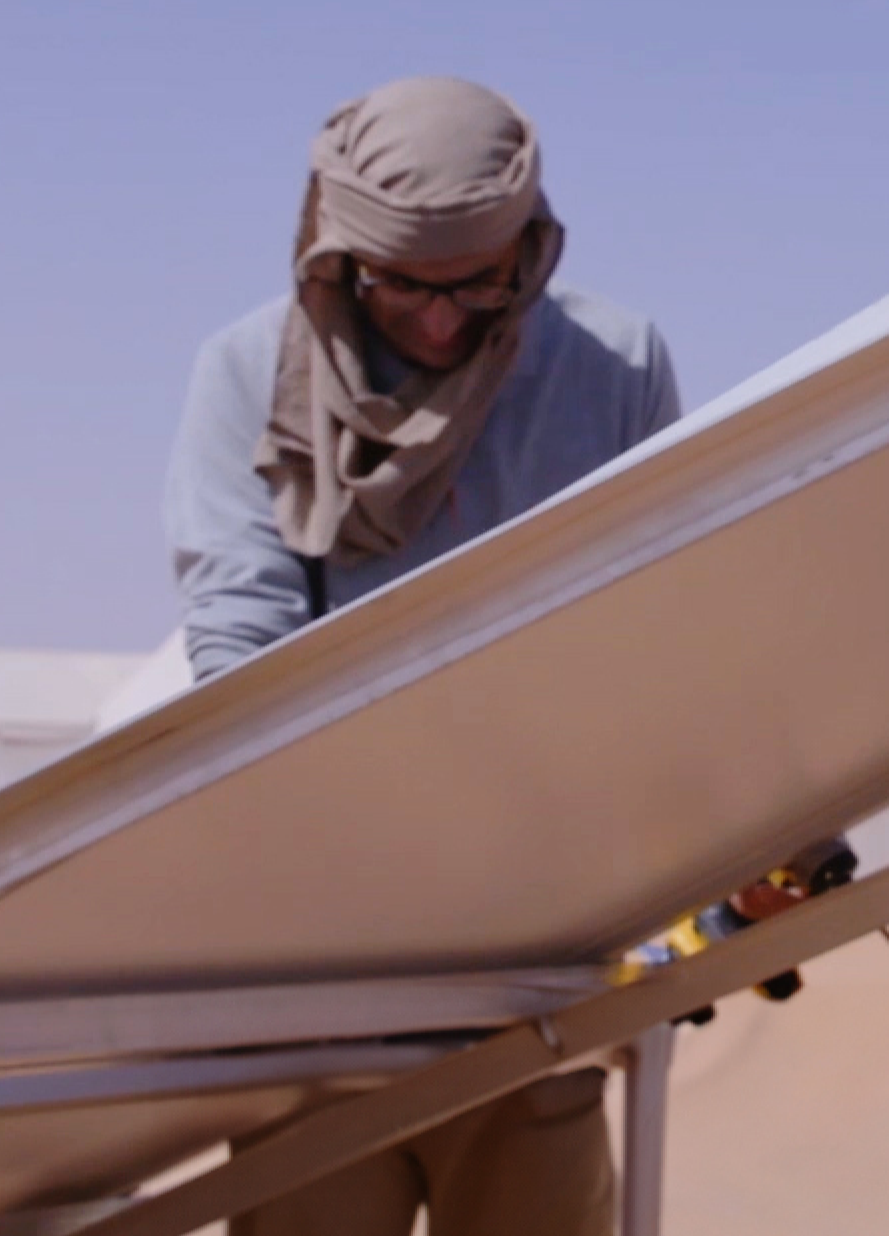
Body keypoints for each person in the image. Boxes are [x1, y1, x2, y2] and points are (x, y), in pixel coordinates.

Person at [165, 74, 681, 1236]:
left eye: (480, 286)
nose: (444, 325)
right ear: (338, 258)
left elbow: (660, 630)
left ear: (531, 251)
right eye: (406, 287)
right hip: (316, 964)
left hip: (532, 955)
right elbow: (241, 647)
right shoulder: (249, 372)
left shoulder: (616, 367)